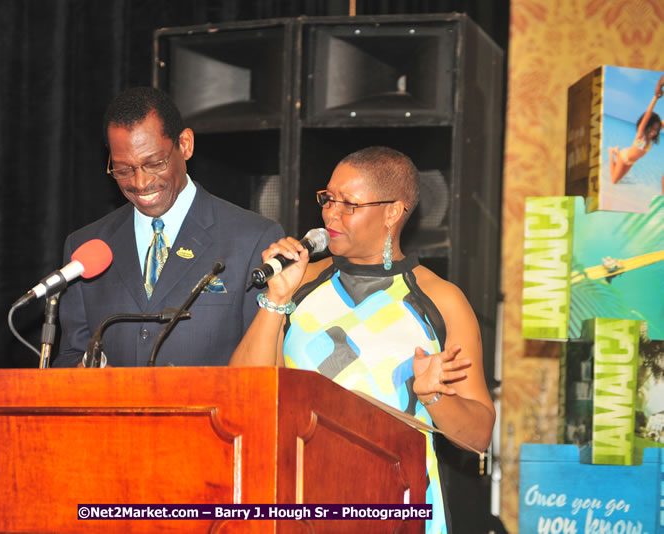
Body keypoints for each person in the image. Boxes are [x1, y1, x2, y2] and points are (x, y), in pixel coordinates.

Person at [230, 147, 495, 534]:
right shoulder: (298, 283)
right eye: (328, 199)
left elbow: (478, 438)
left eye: (349, 204)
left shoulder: (441, 300)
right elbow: (243, 394)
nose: (330, 214)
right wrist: (276, 300)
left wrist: (434, 397)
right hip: (298, 503)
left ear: (393, 211)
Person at [54, 87, 284, 367]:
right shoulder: (86, 247)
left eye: (154, 163)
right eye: (123, 169)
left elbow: (261, 366)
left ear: (185, 144)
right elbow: (70, 356)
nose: (140, 183)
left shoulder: (252, 239)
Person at [608, 74, 664, 184]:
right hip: (624, 157)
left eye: (656, 130)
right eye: (652, 128)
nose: (653, 132)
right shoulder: (641, 134)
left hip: (631, 162)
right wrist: (655, 98)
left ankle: (616, 151)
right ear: (647, 126)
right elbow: (647, 115)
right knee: (614, 180)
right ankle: (612, 152)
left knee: (618, 180)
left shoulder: (651, 137)